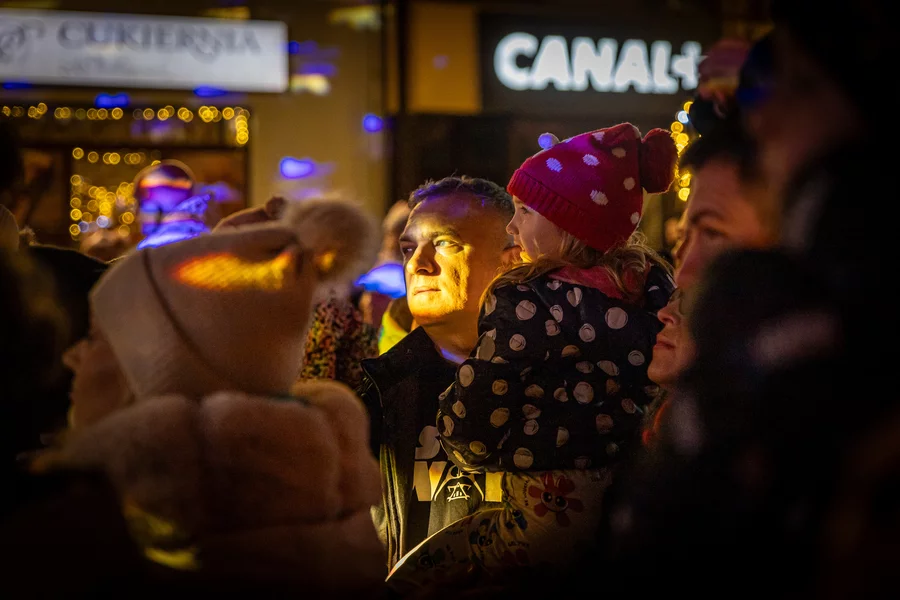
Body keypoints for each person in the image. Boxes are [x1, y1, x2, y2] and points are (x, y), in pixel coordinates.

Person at [40, 197, 386, 596]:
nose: (74, 355)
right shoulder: (322, 530)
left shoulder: (102, 545)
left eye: (96, 338)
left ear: (148, 372)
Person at [387, 123, 677, 591]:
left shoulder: (526, 301)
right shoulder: (651, 289)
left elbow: (483, 397)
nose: (512, 226)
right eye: (407, 248)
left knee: (422, 576)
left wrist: (464, 444)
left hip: (544, 504)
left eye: (524, 211)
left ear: (568, 224)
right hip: (631, 497)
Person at [356, 175, 521, 573]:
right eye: (408, 248)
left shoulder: (558, 385)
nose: (417, 264)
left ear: (512, 259)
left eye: (445, 243)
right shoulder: (377, 392)